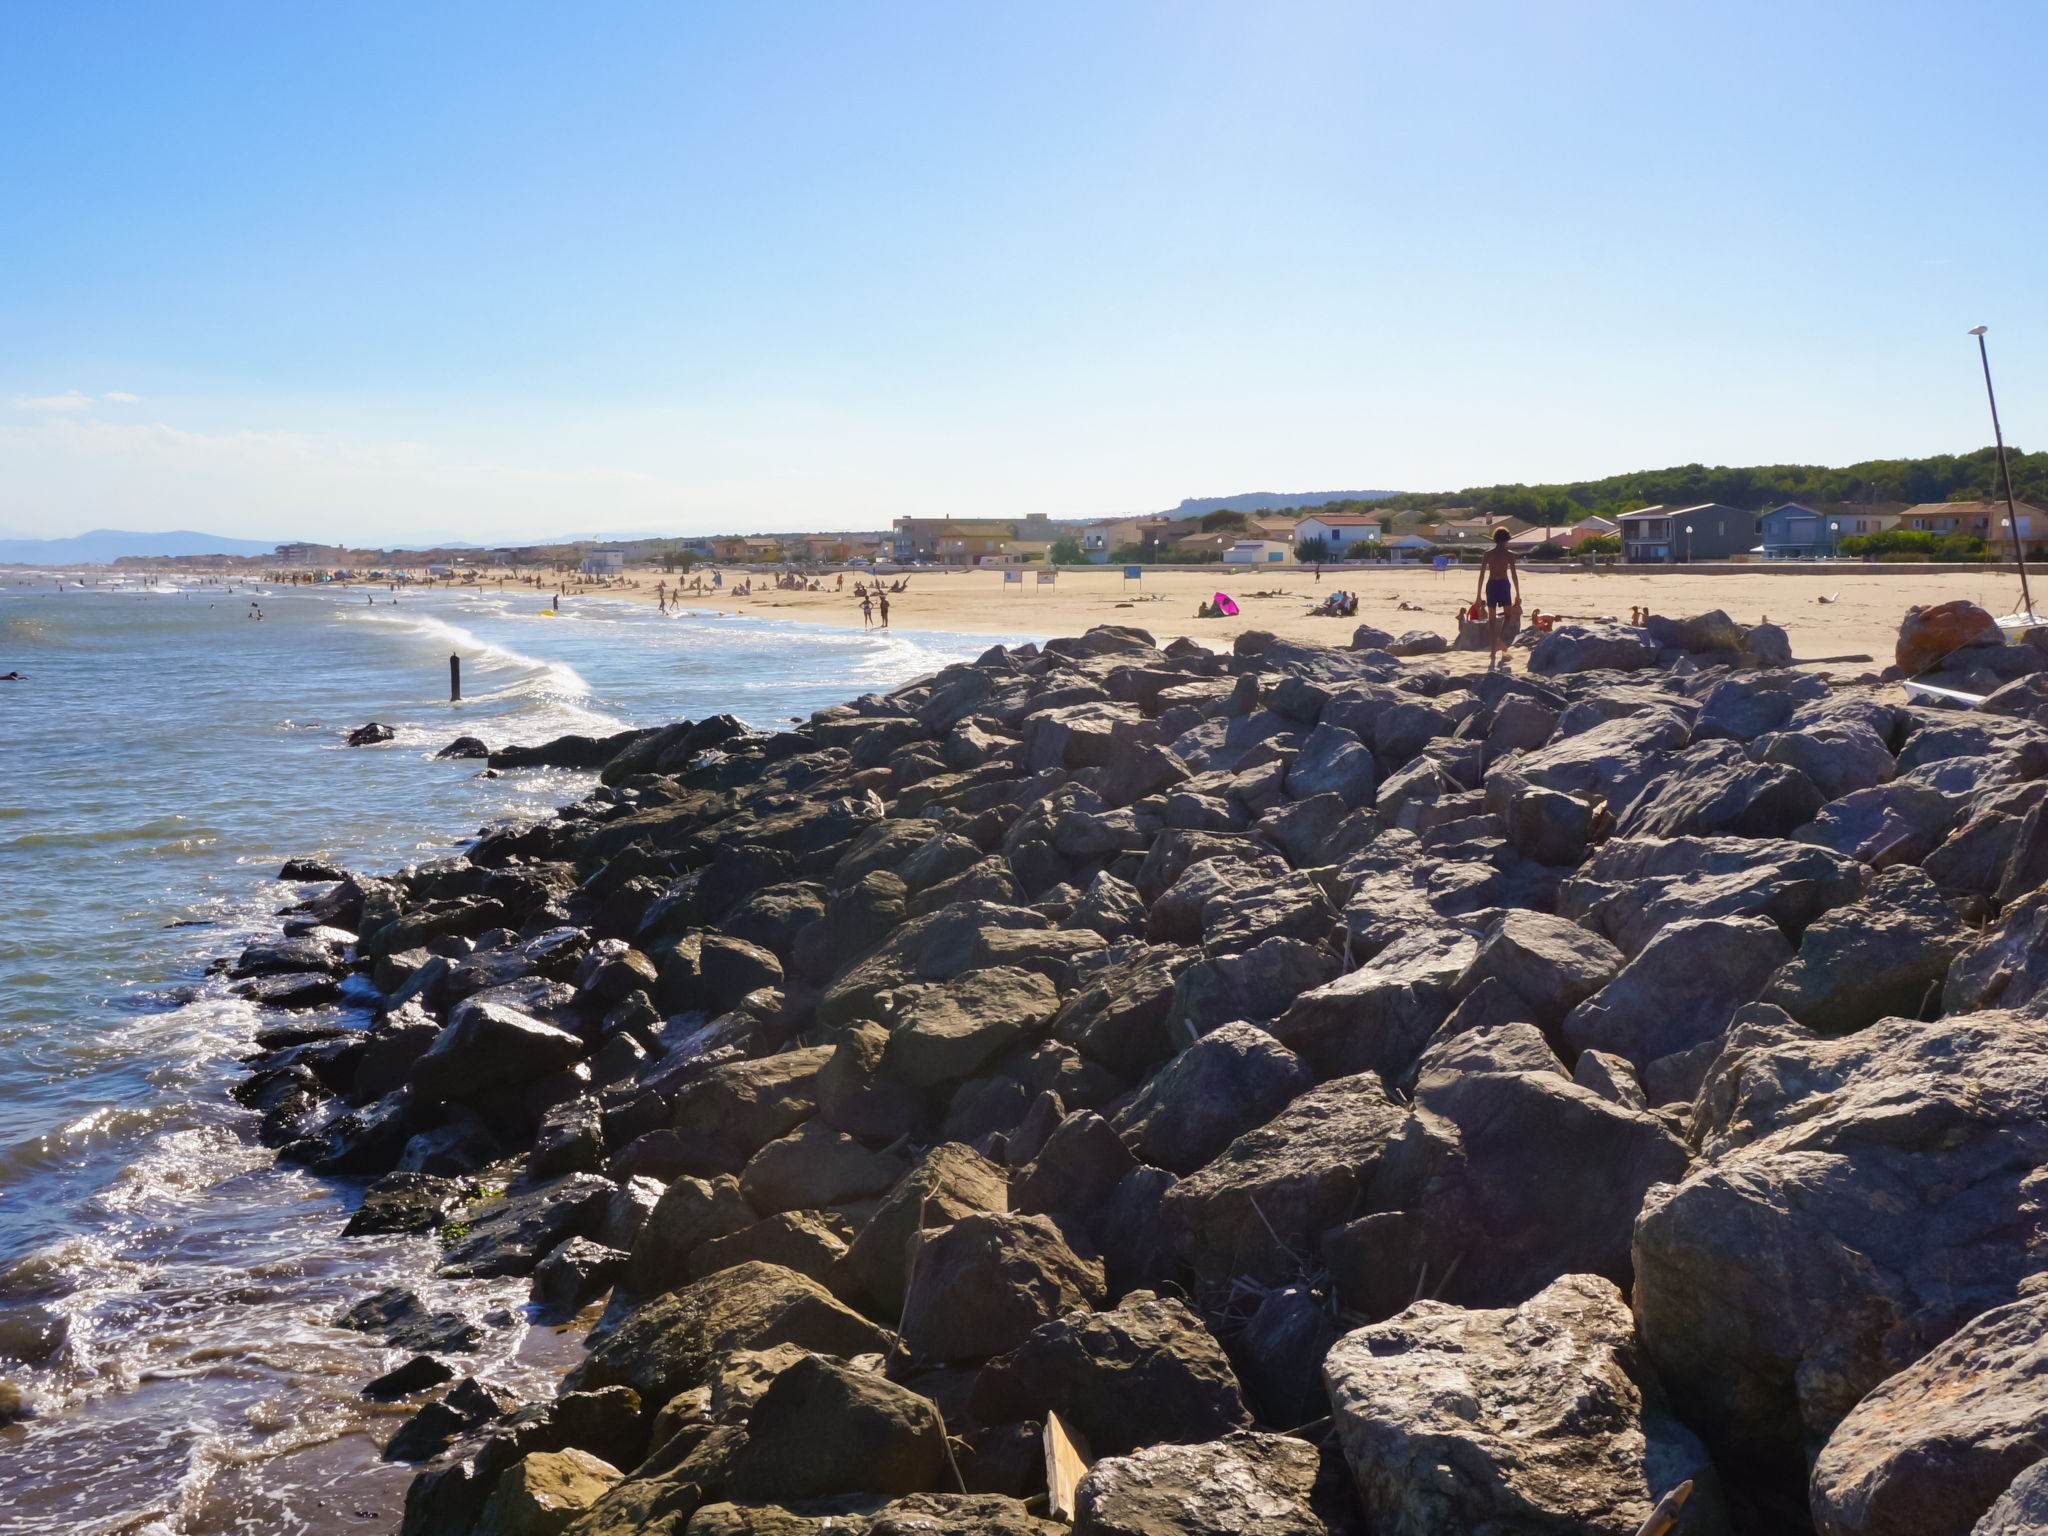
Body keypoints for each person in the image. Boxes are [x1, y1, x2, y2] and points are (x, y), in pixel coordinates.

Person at [1476, 527, 1521, 661]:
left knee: (1492, 620)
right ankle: (1500, 638)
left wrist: (1478, 595)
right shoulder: (1509, 555)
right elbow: (1514, 575)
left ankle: (1493, 652)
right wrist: (1518, 593)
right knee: (1507, 616)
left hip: (1491, 585)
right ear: (1507, 539)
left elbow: (1482, 575)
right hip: (1503, 585)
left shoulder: (1488, 554)